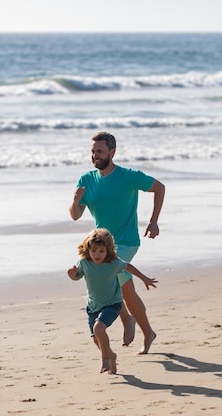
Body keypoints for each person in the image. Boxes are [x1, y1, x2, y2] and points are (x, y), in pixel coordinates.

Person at [69, 131, 165, 354]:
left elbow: (159, 188)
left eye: (100, 151)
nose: (95, 156)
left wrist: (153, 222)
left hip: (126, 241)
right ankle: (145, 330)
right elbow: (75, 215)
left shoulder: (129, 176)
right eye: (93, 152)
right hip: (101, 246)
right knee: (126, 290)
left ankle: (129, 321)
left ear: (112, 152)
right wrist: (74, 201)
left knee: (111, 273)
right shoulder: (86, 180)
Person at [67, 228, 158, 374]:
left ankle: (105, 360)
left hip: (112, 304)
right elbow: (77, 276)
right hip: (93, 305)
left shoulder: (113, 263)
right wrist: (72, 275)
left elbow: (128, 266)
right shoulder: (84, 263)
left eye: (101, 251)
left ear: (108, 251)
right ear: (88, 248)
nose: (97, 254)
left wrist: (144, 279)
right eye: (94, 250)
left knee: (99, 328)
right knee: (97, 338)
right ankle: (111, 356)